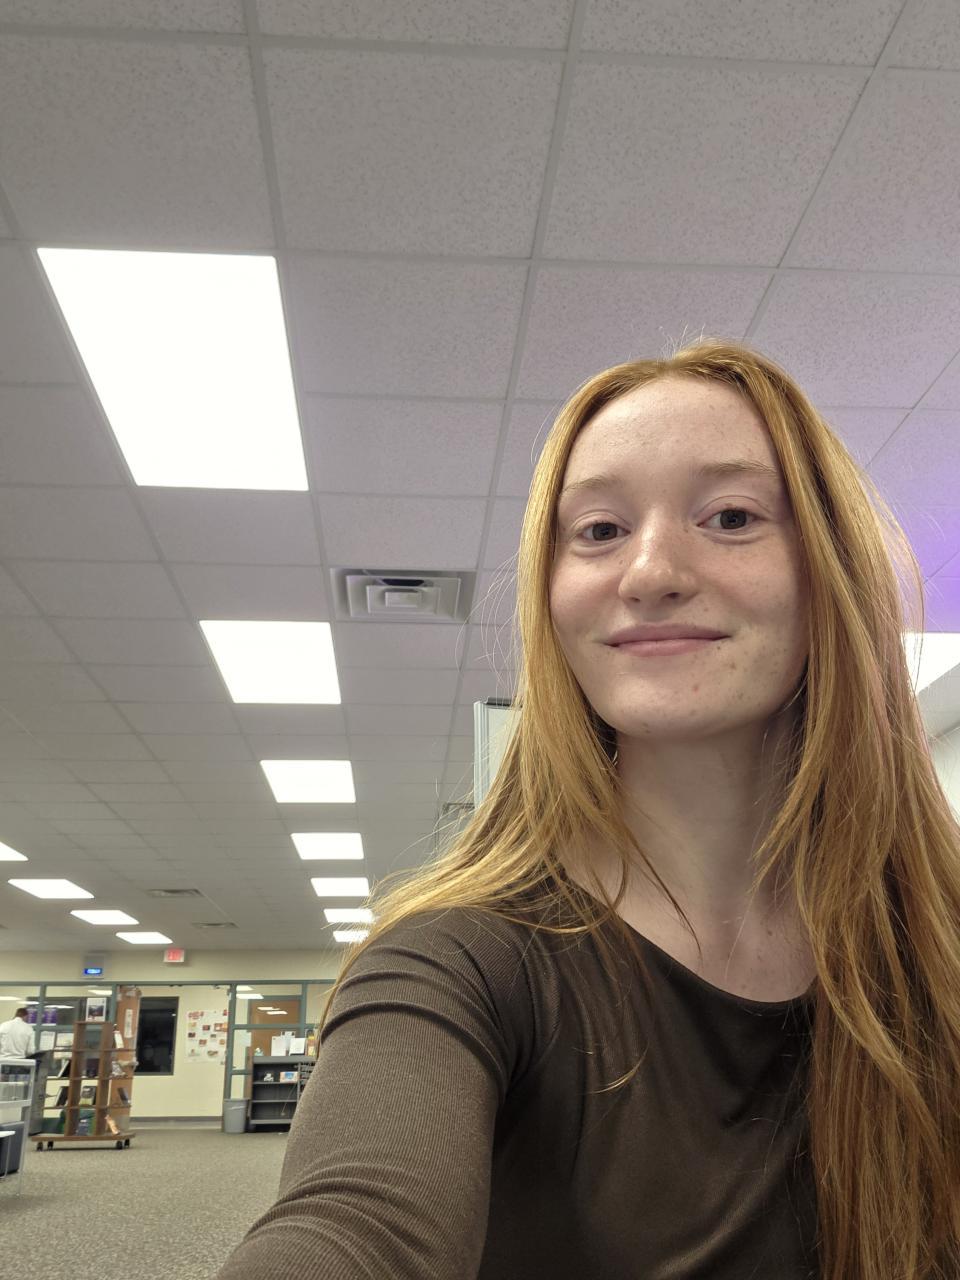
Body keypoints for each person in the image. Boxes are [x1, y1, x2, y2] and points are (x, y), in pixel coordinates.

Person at [215, 340, 960, 1280]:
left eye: (731, 517)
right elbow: (355, 1226)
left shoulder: (936, 940)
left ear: (829, 573)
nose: (649, 572)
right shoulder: (457, 964)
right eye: (600, 531)